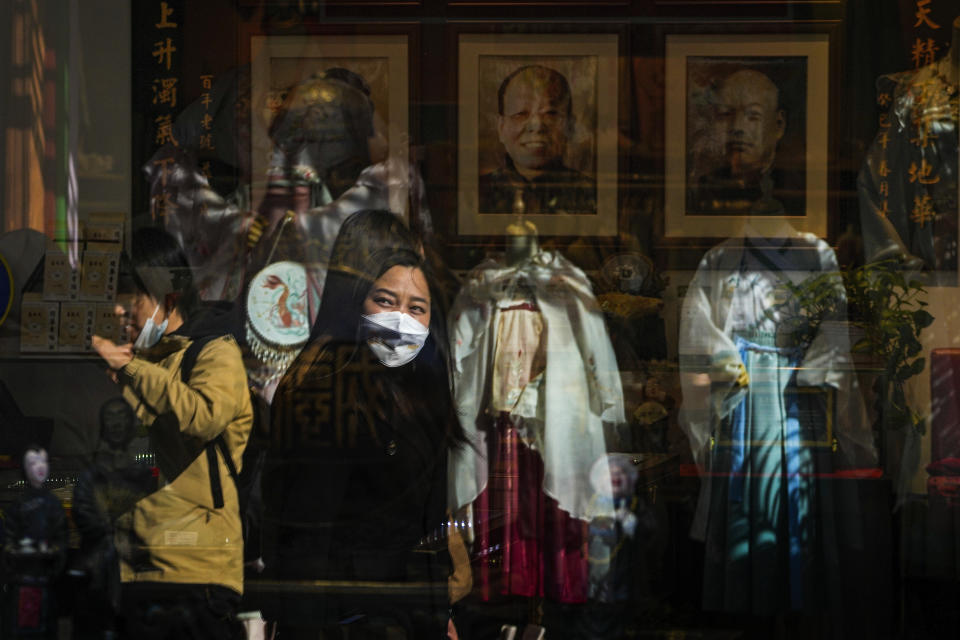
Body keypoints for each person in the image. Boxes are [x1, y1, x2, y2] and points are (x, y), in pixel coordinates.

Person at [262, 210, 466, 638]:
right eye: (386, 299)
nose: (401, 319)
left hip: (407, 614)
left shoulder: (416, 384)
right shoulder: (328, 386)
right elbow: (306, 537)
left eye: (417, 307)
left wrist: (437, 609)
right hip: (351, 619)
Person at [91, 227, 253, 640]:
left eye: (132, 306)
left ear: (169, 299)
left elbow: (203, 416)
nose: (121, 317)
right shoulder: (140, 364)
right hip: (133, 569)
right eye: (116, 306)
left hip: (194, 571)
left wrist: (132, 368)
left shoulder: (213, 351)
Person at [479, 65, 596, 215]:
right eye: (521, 113)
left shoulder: (592, 195)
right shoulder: (479, 193)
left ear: (570, 126)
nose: (537, 125)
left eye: (550, 113)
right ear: (501, 127)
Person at [689, 68, 804, 216]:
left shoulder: (793, 189)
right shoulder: (707, 186)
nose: (737, 127)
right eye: (726, 114)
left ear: (779, 124)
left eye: (753, 116)